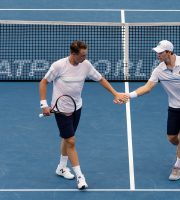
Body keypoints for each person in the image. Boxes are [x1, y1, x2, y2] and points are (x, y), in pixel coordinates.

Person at [39, 40, 128, 190]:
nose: (85, 58)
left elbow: (100, 79)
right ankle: (80, 177)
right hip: (61, 109)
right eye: (82, 55)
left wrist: (115, 93)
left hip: (77, 107)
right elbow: (43, 82)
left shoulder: (85, 65)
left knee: (67, 137)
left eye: (86, 55)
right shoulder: (58, 66)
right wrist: (44, 104)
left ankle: (61, 167)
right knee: (71, 141)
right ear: (73, 54)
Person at [126, 40, 180, 181]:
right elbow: (147, 88)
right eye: (157, 53)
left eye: (160, 53)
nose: (158, 55)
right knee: (172, 138)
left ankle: (177, 166)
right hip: (174, 106)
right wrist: (129, 96)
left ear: (169, 52)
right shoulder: (159, 70)